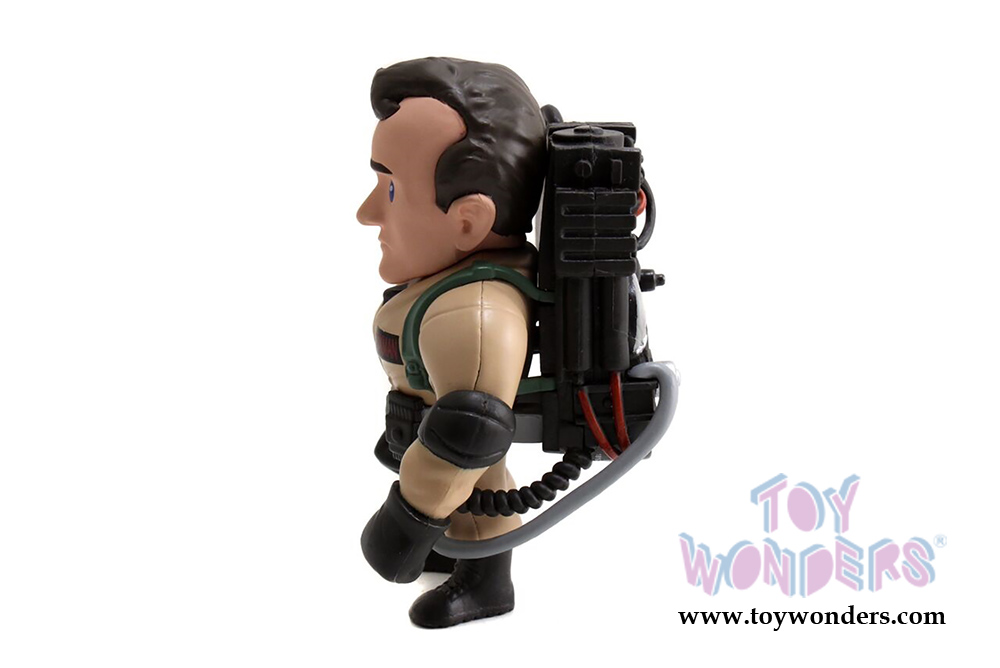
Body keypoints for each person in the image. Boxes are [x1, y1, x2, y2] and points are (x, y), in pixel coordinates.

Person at [356, 57, 547, 628]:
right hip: (423, 430)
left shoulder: (476, 312)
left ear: (467, 221)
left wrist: (406, 522)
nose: (367, 213)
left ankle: (485, 580)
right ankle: (455, 540)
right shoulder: (450, 281)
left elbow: (471, 430)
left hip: (449, 453)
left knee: (481, 483)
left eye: (391, 189)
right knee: (467, 486)